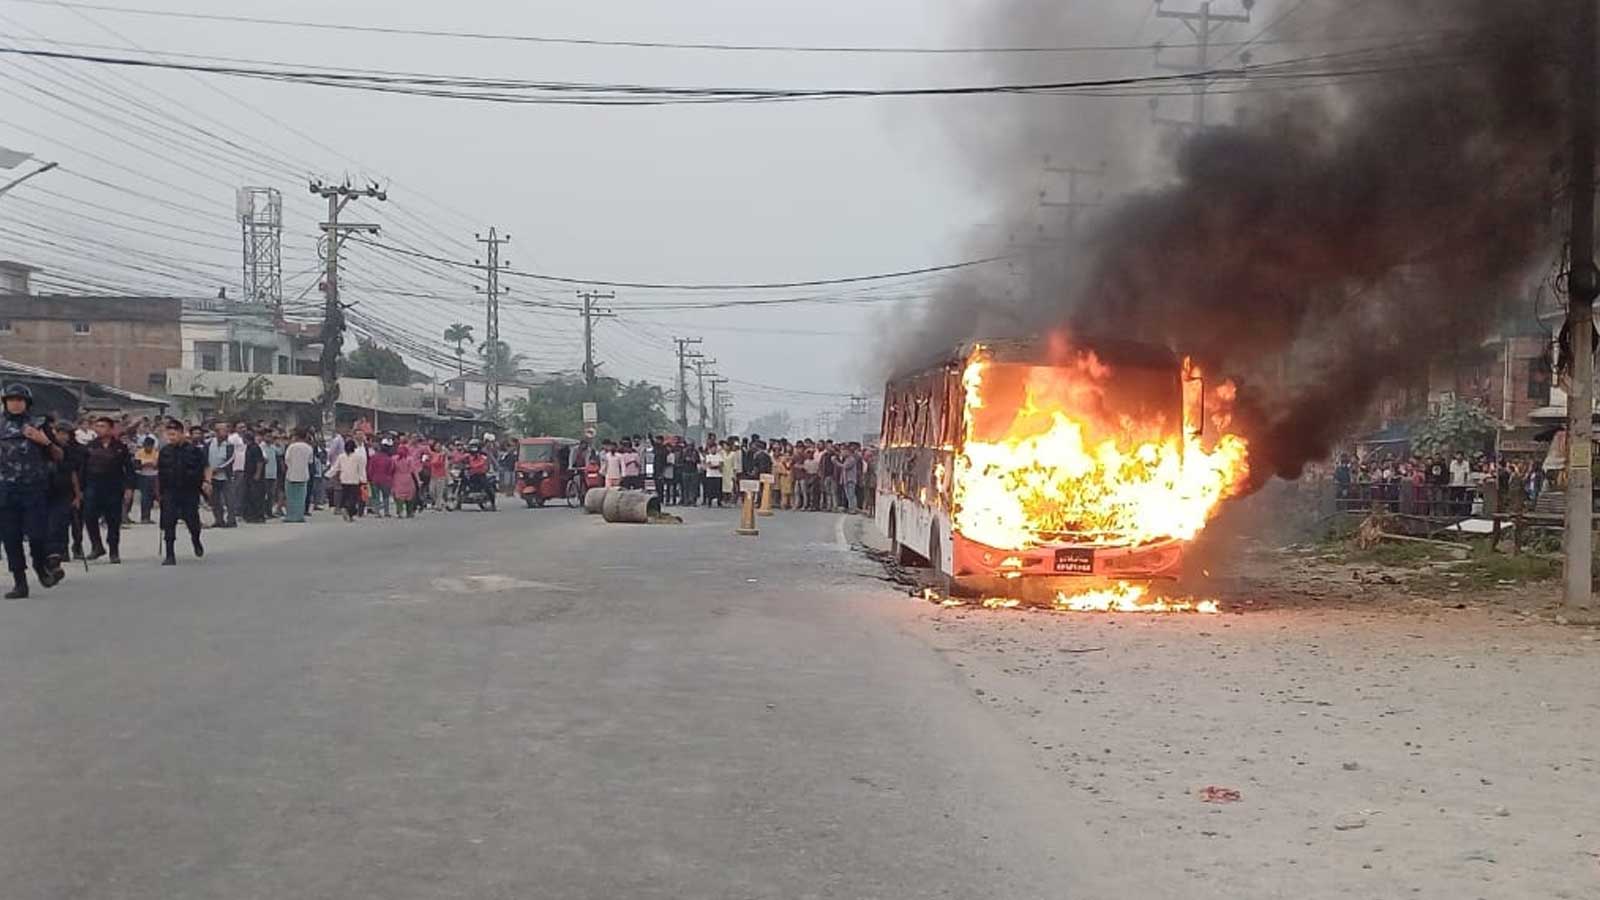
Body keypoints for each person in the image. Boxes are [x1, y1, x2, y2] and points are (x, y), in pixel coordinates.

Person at [0, 386, 62, 598]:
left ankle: (40, 567)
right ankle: (20, 583)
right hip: (6, 490)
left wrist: (44, 441)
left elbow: (59, 456)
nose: (15, 403)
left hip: (33, 489)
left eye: (20, 400)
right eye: (11, 399)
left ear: (27, 403)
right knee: (11, 538)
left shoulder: (39, 424)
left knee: (37, 535)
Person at [81, 416, 134, 563]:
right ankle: (97, 546)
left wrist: (129, 488)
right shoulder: (90, 446)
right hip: (93, 487)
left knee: (113, 521)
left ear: (111, 429)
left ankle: (114, 551)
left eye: (103, 426)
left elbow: (129, 469)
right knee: (89, 517)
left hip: (113, 487)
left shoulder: (120, 447)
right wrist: (80, 490)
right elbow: (82, 469)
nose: (99, 429)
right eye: (97, 426)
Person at [155, 418, 208, 565]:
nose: (171, 437)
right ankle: (170, 554)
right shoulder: (165, 451)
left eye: (174, 434)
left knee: (192, 521)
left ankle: (196, 540)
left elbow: (205, 467)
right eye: (169, 434)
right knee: (169, 521)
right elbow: (160, 473)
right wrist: (158, 493)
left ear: (182, 433)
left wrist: (206, 483)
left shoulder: (194, 451)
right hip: (170, 491)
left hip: (189, 491)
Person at [329, 437, 366, 522]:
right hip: (354, 480)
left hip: (344, 479)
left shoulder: (341, 456)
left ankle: (343, 507)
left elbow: (335, 467)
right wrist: (363, 479)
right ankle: (350, 515)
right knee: (353, 498)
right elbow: (361, 470)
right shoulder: (359, 457)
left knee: (345, 496)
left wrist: (328, 475)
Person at [283, 429, 313, 523]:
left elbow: (287, 459)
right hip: (303, 474)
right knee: (301, 497)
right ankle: (299, 516)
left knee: (291, 497)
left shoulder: (291, 447)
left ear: (296, 436)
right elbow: (310, 461)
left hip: (291, 473)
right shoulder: (309, 448)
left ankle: (290, 516)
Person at [133, 435, 159, 524]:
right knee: (145, 497)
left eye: (150, 446)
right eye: (147, 445)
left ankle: (149, 516)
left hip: (154, 476)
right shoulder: (139, 453)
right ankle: (144, 517)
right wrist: (145, 464)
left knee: (154, 497)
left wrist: (148, 463)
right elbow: (136, 465)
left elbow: (158, 465)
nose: (148, 447)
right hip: (143, 476)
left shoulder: (156, 453)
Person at [392, 443, 421, 518]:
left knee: (399, 496)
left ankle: (400, 511)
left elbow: (392, 469)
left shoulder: (394, 459)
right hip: (408, 478)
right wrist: (418, 481)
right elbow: (414, 471)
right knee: (409, 496)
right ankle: (409, 512)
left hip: (397, 478)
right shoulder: (410, 459)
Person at [368, 439, 395, 517]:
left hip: (375, 478)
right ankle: (386, 512)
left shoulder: (373, 457)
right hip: (386, 479)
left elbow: (370, 469)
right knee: (386, 496)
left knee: (376, 496)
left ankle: (377, 512)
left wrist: (370, 477)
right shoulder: (389, 459)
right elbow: (391, 469)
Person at [703, 442, 725, 507]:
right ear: (710, 449)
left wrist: (716, 466)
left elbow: (721, 464)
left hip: (718, 475)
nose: (714, 449)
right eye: (712, 448)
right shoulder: (708, 456)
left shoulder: (719, 456)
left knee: (718, 489)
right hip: (710, 475)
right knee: (710, 489)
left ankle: (719, 501)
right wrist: (716, 466)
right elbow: (709, 465)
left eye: (715, 448)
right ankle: (709, 502)